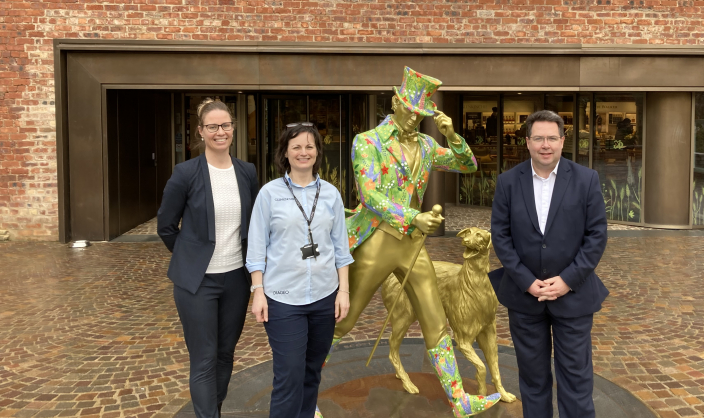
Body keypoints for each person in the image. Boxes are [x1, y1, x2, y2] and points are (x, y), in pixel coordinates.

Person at [321, 67, 501, 418]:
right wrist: (413, 216)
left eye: (422, 115)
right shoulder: (368, 141)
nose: (414, 119)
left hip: (413, 246)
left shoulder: (426, 145)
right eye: (410, 111)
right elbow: (369, 194)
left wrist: (452, 135)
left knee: (436, 323)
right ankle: (300, 396)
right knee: (343, 320)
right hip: (377, 241)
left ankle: (460, 401)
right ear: (395, 103)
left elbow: (469, 165)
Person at [489, 109, 609, 418]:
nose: (546, 145)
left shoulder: (586, 179)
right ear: (527, 142)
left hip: (574, 297)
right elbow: (501, 237)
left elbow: (596, 236)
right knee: (533, 379)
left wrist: (567, 280)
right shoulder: (507, 182)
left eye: (552, 138)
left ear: (562, 141)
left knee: (576, 380)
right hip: (525, 299)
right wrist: (527, 282)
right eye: (539, 138)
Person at [157, 98, 259, 418]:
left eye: (225, 125)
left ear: (233, 128)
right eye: (212, 126)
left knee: (225, 355)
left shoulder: (246, 171)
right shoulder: (186, 173)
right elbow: (166, 226)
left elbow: (254, 223)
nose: (220, 132)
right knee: (203, 359)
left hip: (235, 280)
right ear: (200, 131)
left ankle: (211, 411)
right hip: (197, 283)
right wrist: (192, 257)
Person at [246, 123, 353, 418]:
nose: (303, 152)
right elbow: (256, 249)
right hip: (283, 299)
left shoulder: (331, 194)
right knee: (289, 376)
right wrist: (258, 291)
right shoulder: (270, 194)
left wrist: (343, 291)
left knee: (311, 373)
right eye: (296, 147)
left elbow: (341, 249)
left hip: (324, 297)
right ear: (285, 153)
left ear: (317, 152)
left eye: (309, 146)